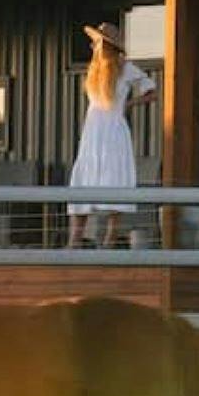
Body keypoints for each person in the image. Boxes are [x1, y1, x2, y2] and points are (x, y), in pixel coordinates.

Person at [67, 21, 157, 248]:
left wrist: (130, 104)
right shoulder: (95, 69)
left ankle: (110, 239)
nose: (93, 45)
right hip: (93, 130)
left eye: (97, 42)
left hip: (113, 129)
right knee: (84, 180)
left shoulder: (125, 68)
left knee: (114, 176)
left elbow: (152, 90)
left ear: (105, 45)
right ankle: (75, 239)